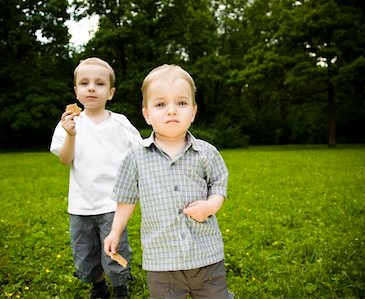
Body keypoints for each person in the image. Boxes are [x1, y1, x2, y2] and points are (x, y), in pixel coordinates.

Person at [104, 64, 233, 299]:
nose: (171, 110)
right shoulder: (135, 156)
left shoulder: (206, 152)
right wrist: (115, 231)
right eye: (161, 104)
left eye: (181, 103)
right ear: (146, 114)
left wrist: (211, 206)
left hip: (206, 254)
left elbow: (219, 184)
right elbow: (126, 197)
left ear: (193, 112)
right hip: (161, 260)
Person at [50, 57, 141, 299]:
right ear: (76, 91)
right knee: (86, 250)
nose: (91, 88)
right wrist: (71, 135)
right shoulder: (69, 124)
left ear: (110, 93)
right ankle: (98, 286)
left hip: (113, 203)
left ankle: (120, 287)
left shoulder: (120, 123)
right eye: (85, 83)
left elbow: (140, 154)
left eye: (99, 84)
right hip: (81, 204)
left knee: (115, 247)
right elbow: (65, 159)